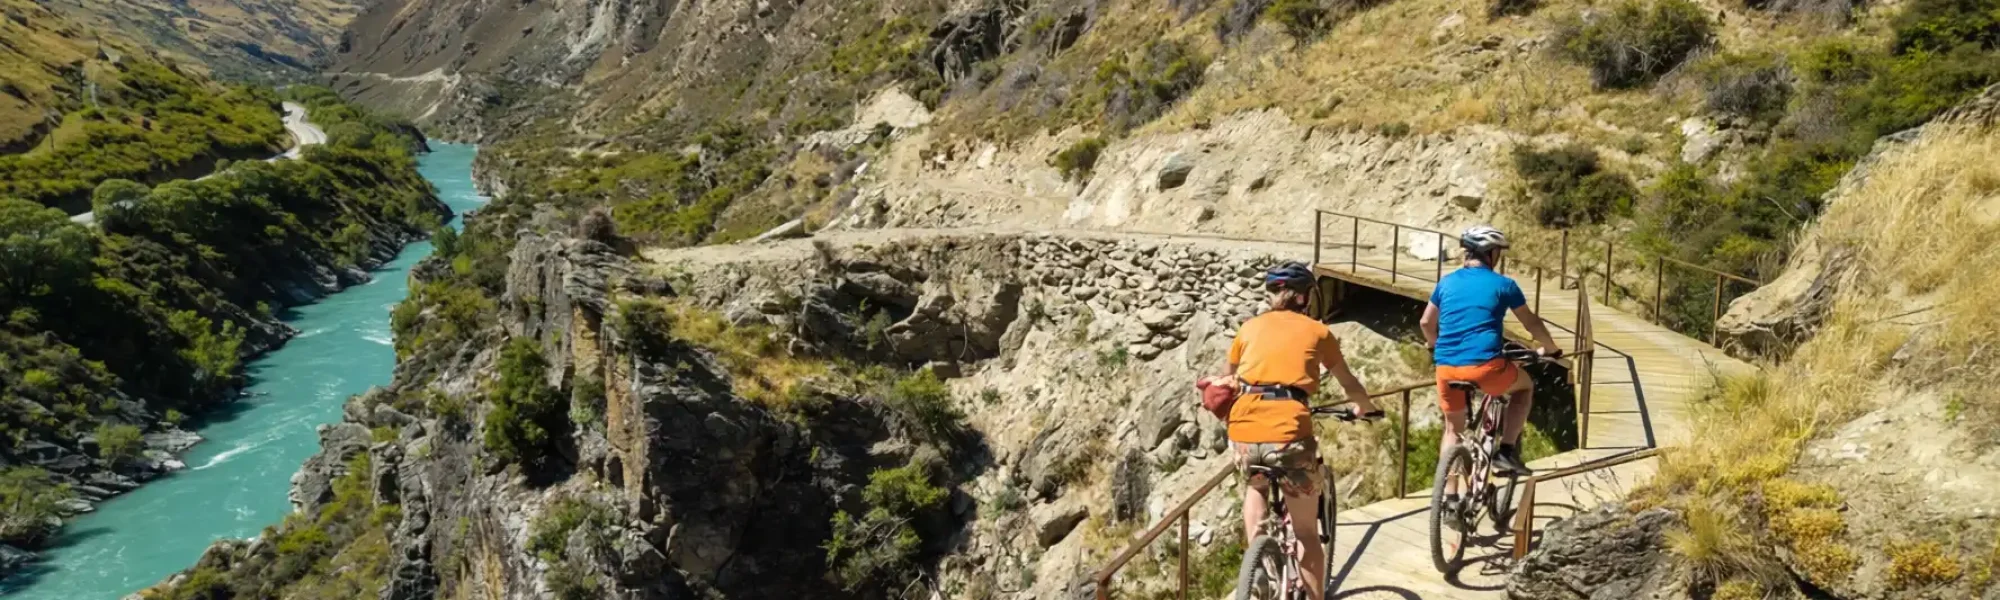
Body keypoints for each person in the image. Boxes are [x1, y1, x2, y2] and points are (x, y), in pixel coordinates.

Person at [1218, 262, 1381, 600]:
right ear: (1306, 297)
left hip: (1244, 429)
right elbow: (1348, 381)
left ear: (1273, 295)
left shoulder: (1248, 328)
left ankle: (1258, 563)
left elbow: (1228, 379)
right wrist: (1366, 408)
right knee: (1307, 533)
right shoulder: (1318, 331)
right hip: (1288, 429)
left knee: (1257, 484)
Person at [1420, 225, 1561, 487]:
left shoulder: (1446, 282)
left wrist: (1434, 347)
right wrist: (1549, 347)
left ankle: (1449, 499)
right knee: (1524, 387)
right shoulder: (1504, 285)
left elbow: (1426, 323)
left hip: (1446, 368)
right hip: (1486, 366)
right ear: (1491, 253)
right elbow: (1531, 323)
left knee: (1453, 430)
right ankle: (1506, 452)